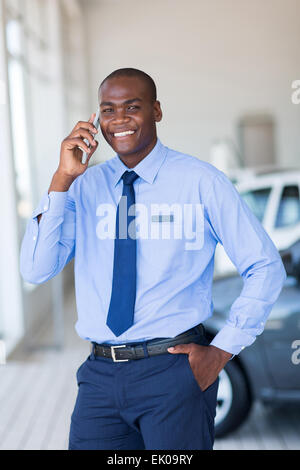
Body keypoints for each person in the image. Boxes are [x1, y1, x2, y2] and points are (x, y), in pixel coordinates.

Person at [20, 68, 286, 450]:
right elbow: (35, 268)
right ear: (96, 119)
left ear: (157, 111)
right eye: (108, 109)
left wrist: (222, 350)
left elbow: (264, 266)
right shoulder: (84, 186)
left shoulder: (201, 182)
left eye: (132, 106)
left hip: (174, 371)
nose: (119, 120)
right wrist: (61, 179)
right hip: (100, 376)